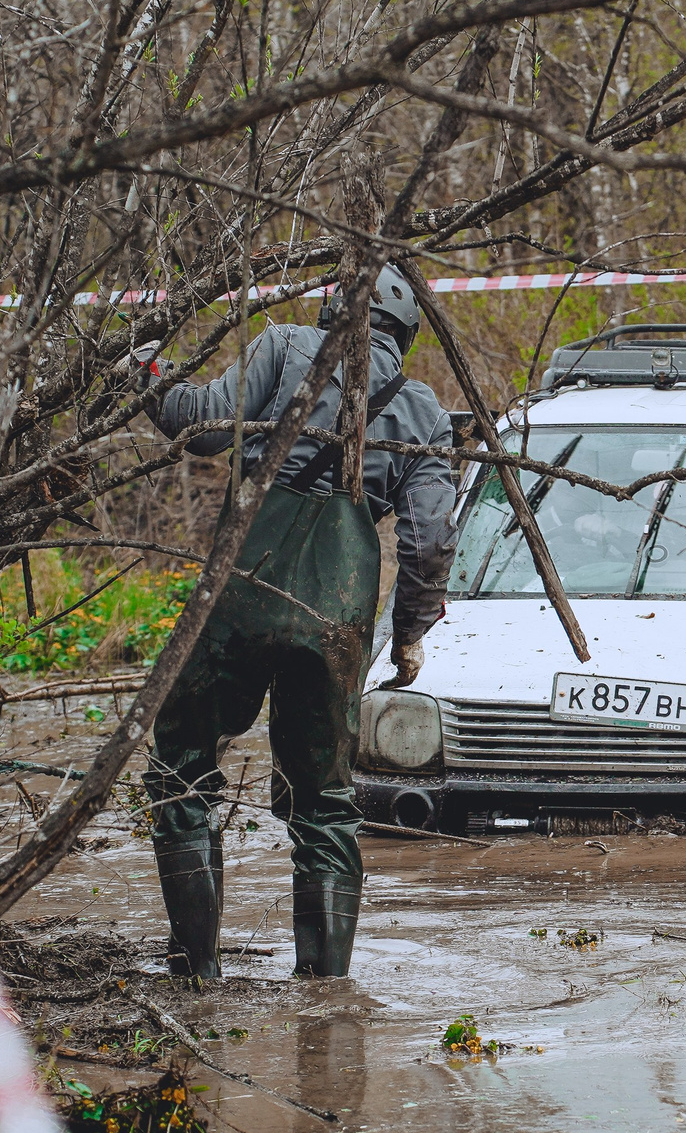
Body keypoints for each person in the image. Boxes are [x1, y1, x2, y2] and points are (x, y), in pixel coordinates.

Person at [136, 265, 458, 979]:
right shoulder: (425, 411)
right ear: (403, 334)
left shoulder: (282, 347)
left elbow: (200, 426)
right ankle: (325, 996)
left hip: (236, 599)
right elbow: (431, 537)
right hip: (334, 623)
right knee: (326, 805)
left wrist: (145, 366)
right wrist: (408, 630)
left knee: (183, 769)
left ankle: (195, 971)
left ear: (328, 308)